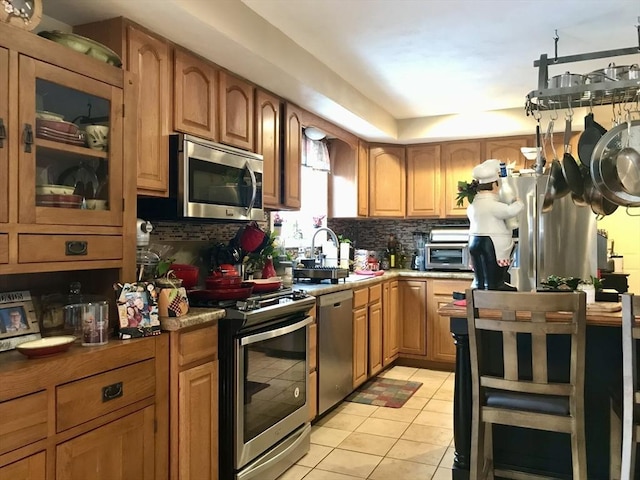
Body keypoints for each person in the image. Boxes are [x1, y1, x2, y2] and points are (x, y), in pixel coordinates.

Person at [467, 159, 524, 290]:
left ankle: (480, 287)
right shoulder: (492, 204)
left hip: (474, 241)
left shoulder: (473, 204)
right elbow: (510, 211)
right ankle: (497, 286)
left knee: (481, 276)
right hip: (491, 242)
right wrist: (518, 202)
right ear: (494, 185)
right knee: (494, 275)